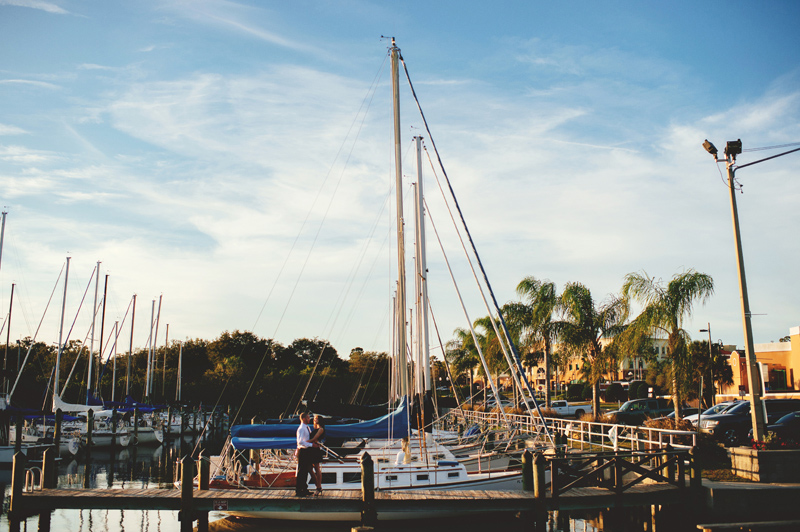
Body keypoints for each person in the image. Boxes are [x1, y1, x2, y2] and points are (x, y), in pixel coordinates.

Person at [295, 412, 313, 497]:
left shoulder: (307, 427)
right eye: (308, 418)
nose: (310, 419)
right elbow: (300, 441)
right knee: (301, 471)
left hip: (307, 451)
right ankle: (299, 490)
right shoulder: (301, 428)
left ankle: (304, 488)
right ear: (304, 418)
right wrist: (311, 445)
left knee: (305, 471)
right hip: (303, 450)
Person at [309, 415, 326, 495]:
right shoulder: (315, 429)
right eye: (314, 418)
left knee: (316, 468)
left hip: (315, 449)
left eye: (316, 418)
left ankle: (318, 487)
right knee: (309, 468)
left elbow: (314, 439)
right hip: (312, 449)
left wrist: (304, 441)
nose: (315, 419)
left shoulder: (321, 429)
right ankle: (318, 487)